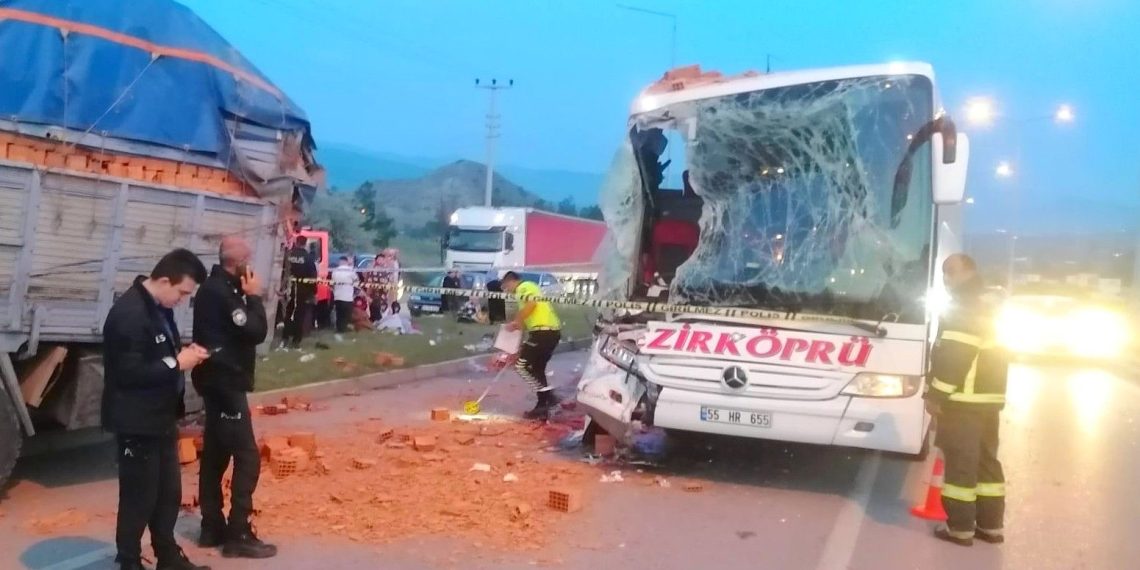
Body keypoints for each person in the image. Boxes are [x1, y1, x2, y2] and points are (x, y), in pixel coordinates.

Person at [101, 248, 211, 570]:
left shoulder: (159, 308)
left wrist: (183, 354)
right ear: (164, 280)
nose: (182, 300)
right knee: (139, 498)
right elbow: (128, 372)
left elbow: (158, 353)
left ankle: (167, 555)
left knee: (167, 494)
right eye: (181, 292)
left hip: (161, 418)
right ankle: (130, 562)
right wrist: (177, 363)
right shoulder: (129, 314)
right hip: (137, 421)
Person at [191, 237, 277, 559]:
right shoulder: (222, 292)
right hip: (225, 381)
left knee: (215, 452)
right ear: (235, 262)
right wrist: (254, 298)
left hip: (217, 379)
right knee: (247, 456)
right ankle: (238, 530)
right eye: (248, 255)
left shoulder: (220, 288)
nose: (252, 259)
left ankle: (211, 526)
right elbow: (254, 331)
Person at [925, 253, 1009, 547]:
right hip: (988, 399)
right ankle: (991, 526)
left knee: (961, 463)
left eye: (952, 273)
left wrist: (935, 394)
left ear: (969, 272)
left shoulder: (964, 304)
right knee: (987, 464)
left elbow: (955, 356)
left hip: (964, 399)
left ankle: (960, 529)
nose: (947, 279)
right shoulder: (988, 301)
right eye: (944, 273)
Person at [501, 271, 562, 419]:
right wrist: (520, 342)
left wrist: (516, 321)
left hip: (544, 331)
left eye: (505, 287)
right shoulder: (529, 288)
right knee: (537, 368)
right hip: (548, 332)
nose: (506, 291)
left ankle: (547, 398)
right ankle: (544, 403)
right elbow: (527, 316)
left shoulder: (524, 287)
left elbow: (531, 304)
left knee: (521, 366)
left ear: (510, 282)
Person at [283, 236, 317, 348]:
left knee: (288, 313)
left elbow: (283, 270)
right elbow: (312, 277)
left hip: (288, 288)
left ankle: (285, 336)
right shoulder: (308, 258)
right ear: (305, 243)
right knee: (300, 315)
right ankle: (296, 340)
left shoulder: (289, 255)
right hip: (303, 291)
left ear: (296, 242)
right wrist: (313, 292)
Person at [331, 256, 357, 333]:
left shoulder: (335, 271)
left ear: (340, 262)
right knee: (347, 314)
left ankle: (339, 329)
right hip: (348, 297)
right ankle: (345, 328)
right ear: (346, 262)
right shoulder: (351, 271)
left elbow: (332, 283)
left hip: (338, 296)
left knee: (339, 314)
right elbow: (356, 282)